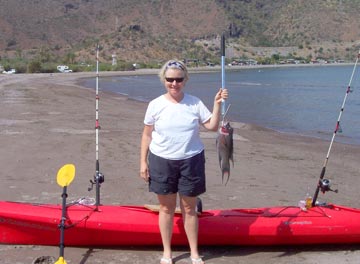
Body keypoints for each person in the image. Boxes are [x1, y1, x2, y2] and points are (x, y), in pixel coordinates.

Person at [140, 59, 228, 264]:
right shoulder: (155, 105)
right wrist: (143, 163)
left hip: (191, 161)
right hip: (162, 161)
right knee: (166, 208)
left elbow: (212, 126)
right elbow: (146, 135)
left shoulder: (195, 103)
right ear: (164, 80)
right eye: (169, 79)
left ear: (185, 80)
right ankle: (167, 252)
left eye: (178, 79)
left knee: (189, 208)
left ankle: (194, 253)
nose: (174, 83)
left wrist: (217, 104)